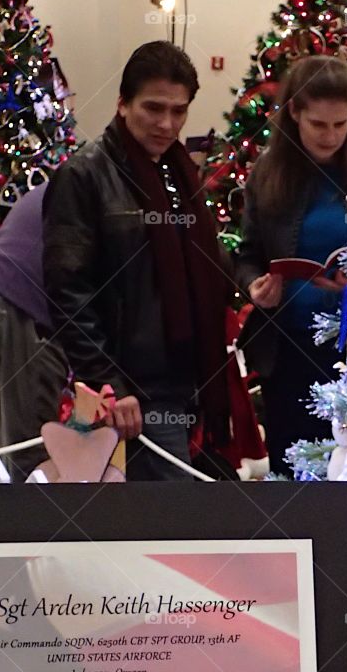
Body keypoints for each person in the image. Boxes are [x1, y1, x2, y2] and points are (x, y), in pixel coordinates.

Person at [43, 42, 238, 480]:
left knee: (161, 523)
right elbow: (68, 292)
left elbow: (204, 264)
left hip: (186, 382)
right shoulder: (84, 175)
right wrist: (110, 383)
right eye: (153, 108)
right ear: (123, 103)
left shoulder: (180, 173)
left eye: (178, 110)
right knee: (172, 525)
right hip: (134, 391)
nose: (166, 123)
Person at [236, 55, 347, 475]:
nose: (331, 136)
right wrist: (255, 286)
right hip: (289, 350)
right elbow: (247, 255)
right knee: (294, 467)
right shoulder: (269, 173)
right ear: (295, 115)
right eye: (318, 125)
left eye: (340, 124)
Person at [0, 184, 69, 477]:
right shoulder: (94, 195)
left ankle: (12, 513)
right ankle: (34, 520)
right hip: (16, 302)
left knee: (9, 434)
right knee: (34, 441)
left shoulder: (62, 187)